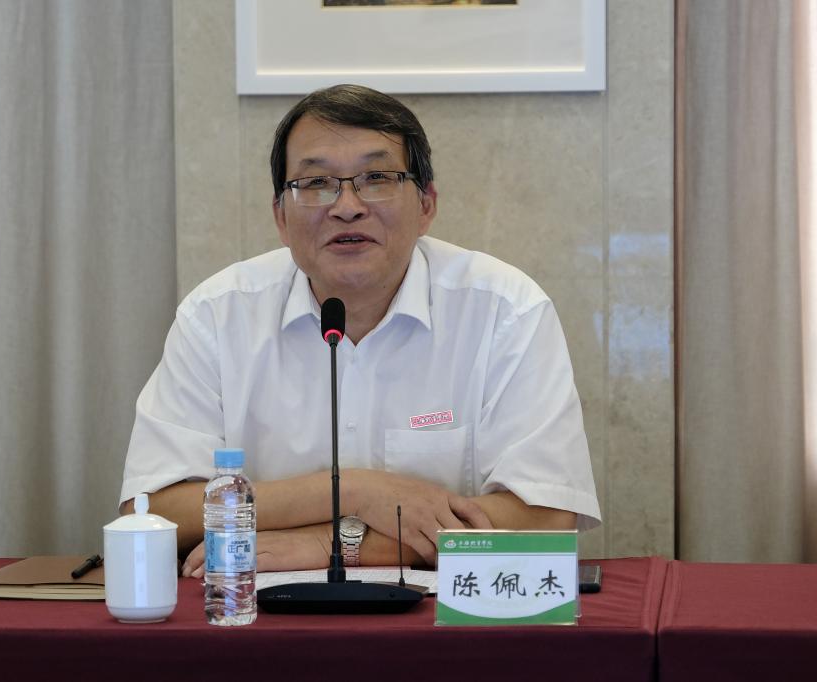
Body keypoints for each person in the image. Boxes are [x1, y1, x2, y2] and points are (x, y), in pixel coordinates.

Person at [119, 84, 600, 578]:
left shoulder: (506, 311)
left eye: (377, 178)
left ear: (426, 205)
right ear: (280, 217)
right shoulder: (217, 315)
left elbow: (545, 516)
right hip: (266, 618)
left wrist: (330, 543)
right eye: (315, 183)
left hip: (444, 618)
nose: (347, 206)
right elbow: (153, 510)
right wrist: (355, 492)